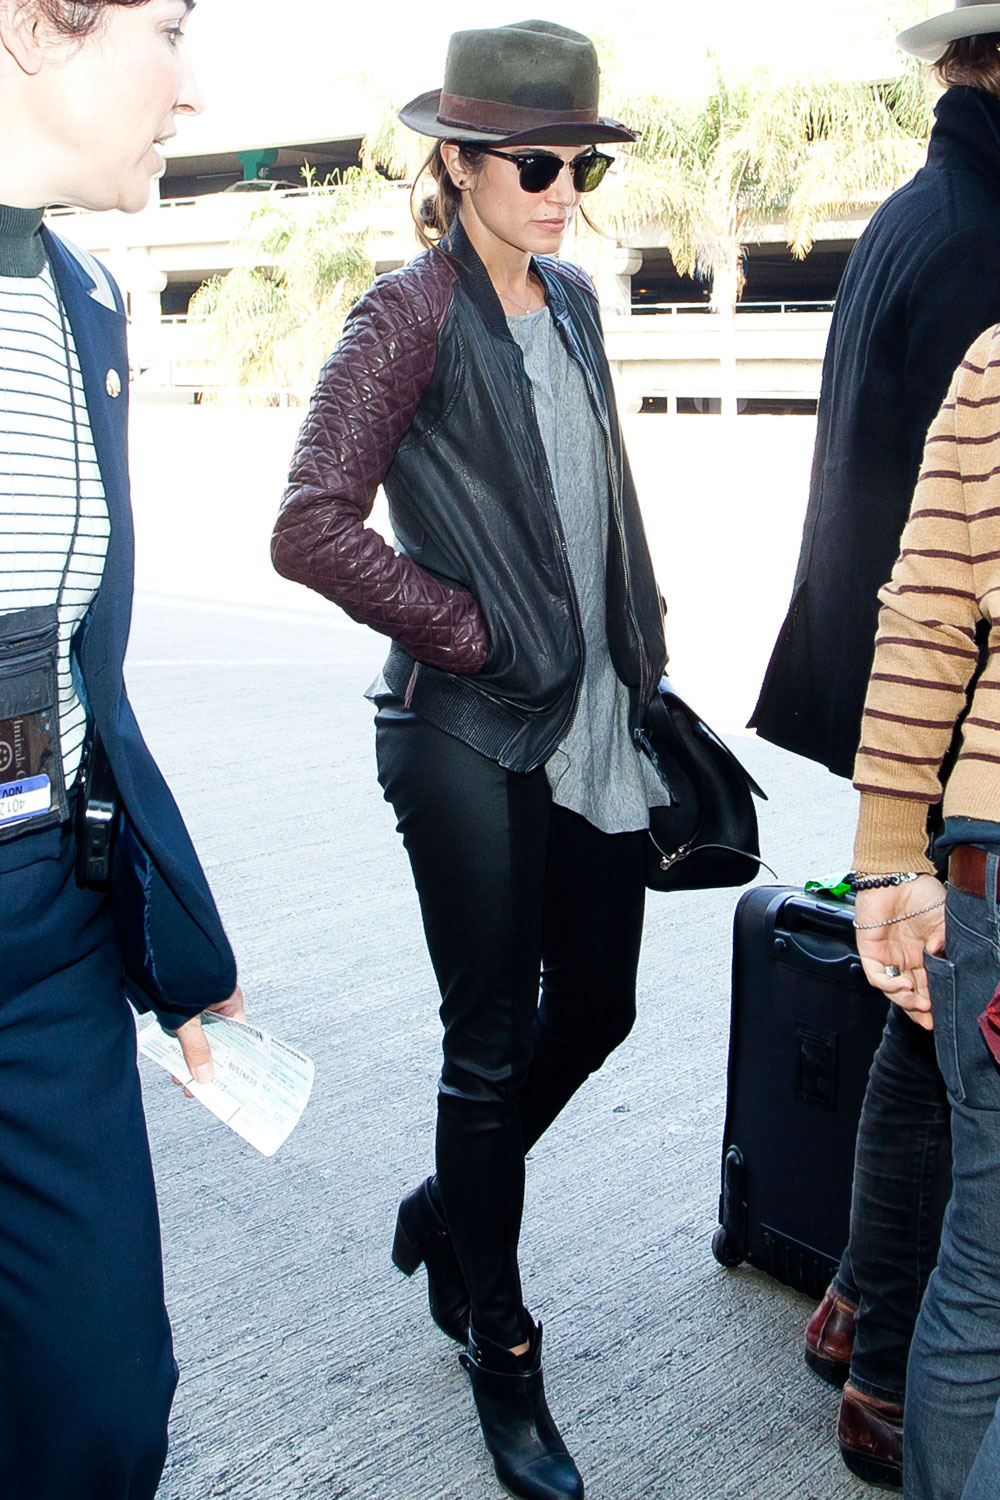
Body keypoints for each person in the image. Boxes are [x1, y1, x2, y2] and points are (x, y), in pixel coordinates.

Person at [271, 21, 667, 1500]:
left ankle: (450, 1205)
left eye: (581, 161)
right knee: (489, 1039)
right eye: (535, 162)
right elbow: (308, 522)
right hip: (461, 731)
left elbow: (591, 502)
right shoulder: (407, 313)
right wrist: (471, 629)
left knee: (605, 1005)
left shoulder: (571, 300)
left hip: (589, 723)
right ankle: (499, 1342)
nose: (563, 187)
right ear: (458, 161)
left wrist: (639, 647)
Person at [749, 2, 1000, 1483]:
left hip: (909, 713)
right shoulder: (977, 235)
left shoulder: (929, 205)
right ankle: (889, 1358)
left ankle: (865, 1305)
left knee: (922, 1042)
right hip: (946, 724)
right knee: (931, 1055)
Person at [0, 3, 243, 1497]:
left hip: (43, 931)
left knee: (102, 1414)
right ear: (36, 24)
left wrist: (171, 937)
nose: (195, 82)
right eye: (167, 24)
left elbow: (87, 676)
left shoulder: (84, 298)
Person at [849, 316, 1000, 1500]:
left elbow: (923, 618)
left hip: (985, 867)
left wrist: (888, 859)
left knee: (986, 1266)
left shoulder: (995, 358)